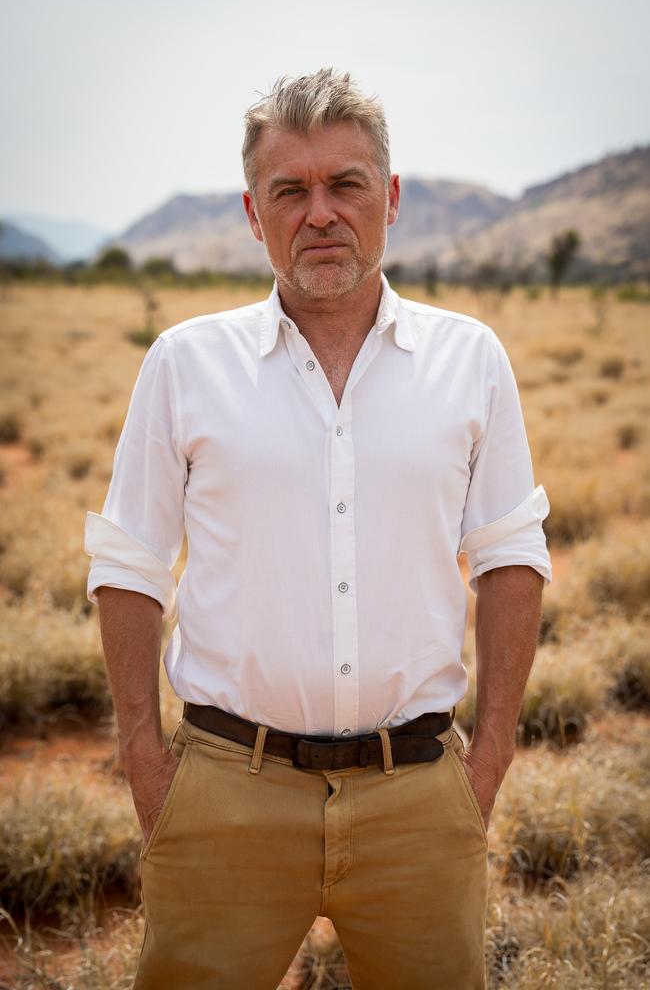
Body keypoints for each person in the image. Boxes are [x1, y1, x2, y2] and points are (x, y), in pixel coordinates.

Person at [84, 68, 552, 990]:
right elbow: (130, 563)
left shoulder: (472, 360)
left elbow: (508, 557)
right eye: (289, 191)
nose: (321, 212)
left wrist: (487, 759)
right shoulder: (185, 364)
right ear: (255, 215)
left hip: (420, 796)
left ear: (392, 197)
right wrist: (146, 760)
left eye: (346, 184)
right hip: (226, 794)